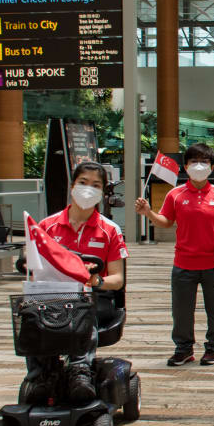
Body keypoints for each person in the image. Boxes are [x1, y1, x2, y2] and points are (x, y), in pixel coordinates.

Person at [24, 161, 128, 404]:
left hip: (92, 296)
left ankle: (80, 370)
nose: (88, 189)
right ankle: (41, 375)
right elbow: (32, 270)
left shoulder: (109, 230)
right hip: (53, 295)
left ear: (102, 192)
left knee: (82, 309)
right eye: (83, 183)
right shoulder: (46, 227)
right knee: (30, 313)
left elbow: (117, 279)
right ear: (72, 186)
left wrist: (95, 280)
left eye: (95, 185)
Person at [135, 143, 214, 367]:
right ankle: (183, 349)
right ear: (185, 166)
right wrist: (148, 212)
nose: (198, 166)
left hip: (213, 264)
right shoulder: (175, 194)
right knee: (181, 311)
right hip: (183, 264)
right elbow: (166, 221)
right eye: (193, 162)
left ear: (212, 166)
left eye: (204, 162)